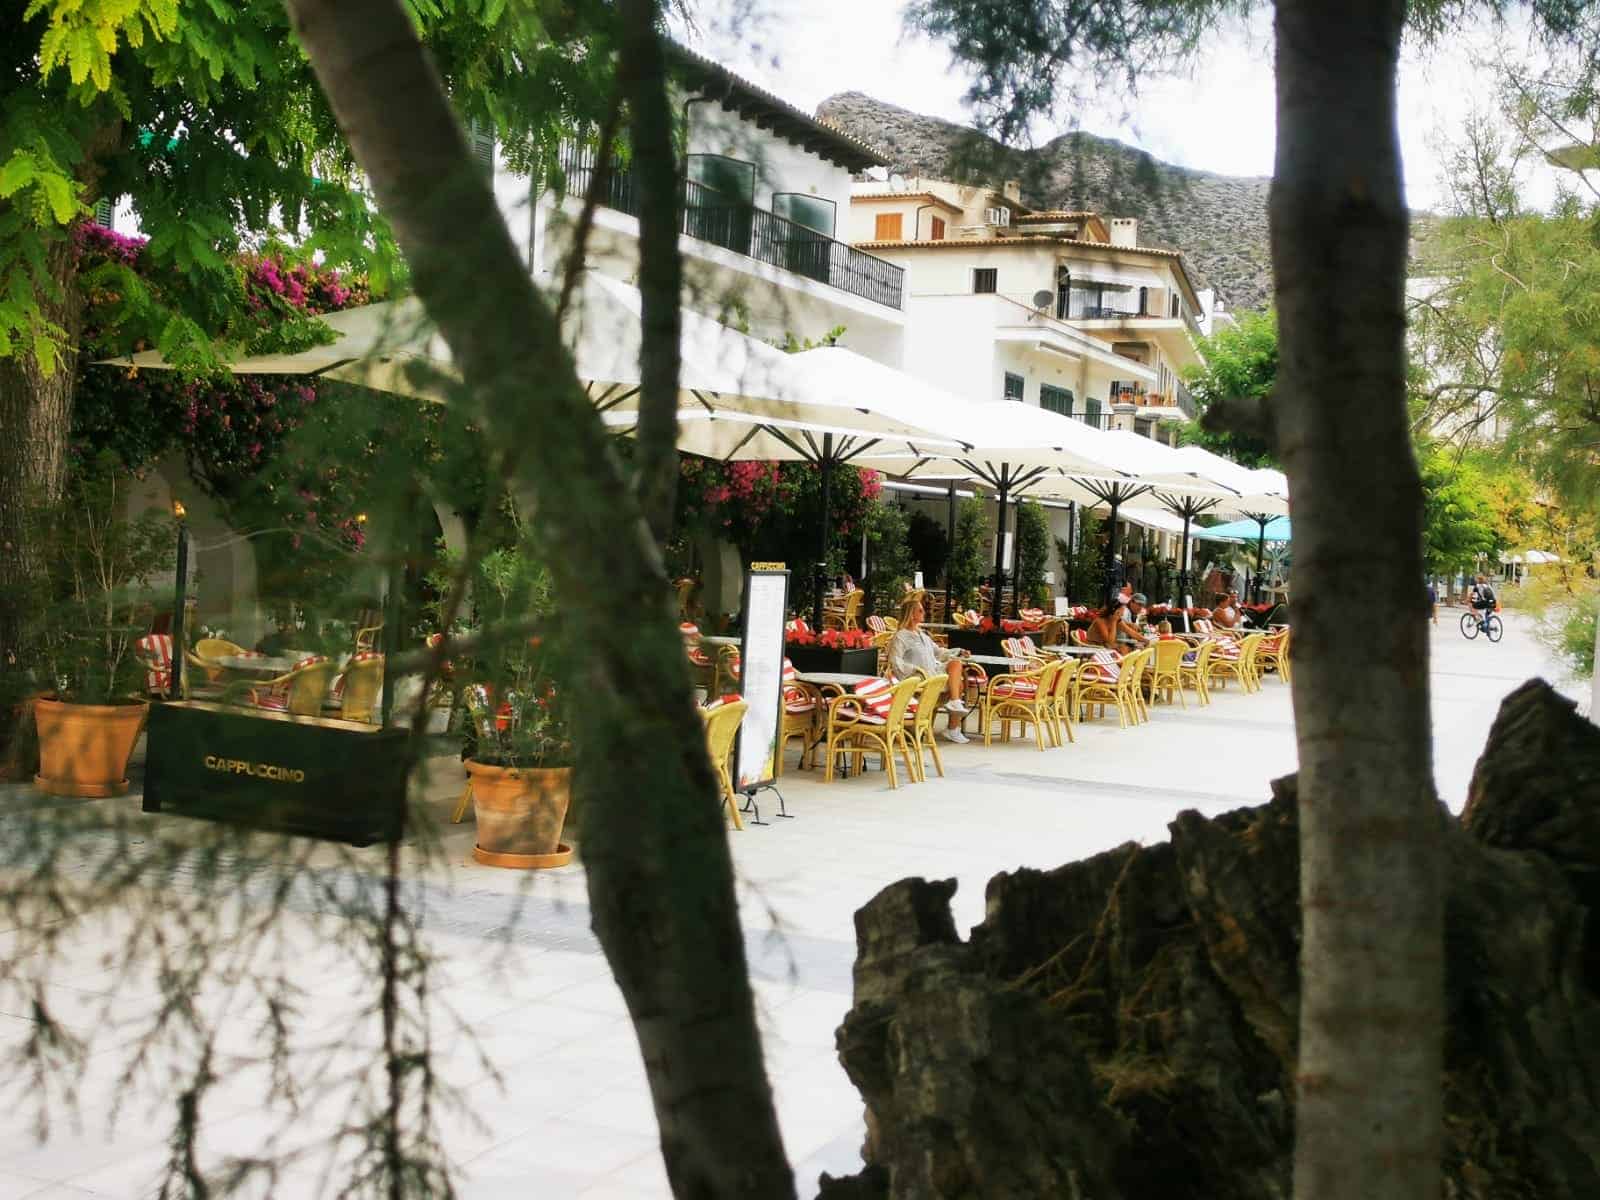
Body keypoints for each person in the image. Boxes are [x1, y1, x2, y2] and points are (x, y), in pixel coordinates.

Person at [887, 595, 972, 744]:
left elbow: (939, 652)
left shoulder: (923, 635)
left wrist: (959, 651)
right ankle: (953, 726)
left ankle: (954, 708)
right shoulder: (901, 637)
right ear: (911, 614)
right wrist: (915, 670)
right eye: (920, 610)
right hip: (918, 679)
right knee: (957, 684)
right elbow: (895, 661)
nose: (924, 612)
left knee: (956, 665)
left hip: (933, 673)